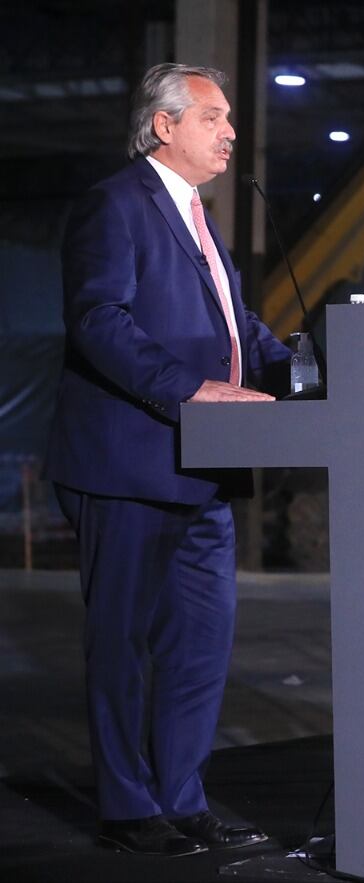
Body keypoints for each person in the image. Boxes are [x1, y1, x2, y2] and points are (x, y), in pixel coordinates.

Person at [45, 64, 290, 856]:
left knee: (199, 644)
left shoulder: (199, 217)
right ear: (164, 126)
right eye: (214, 118)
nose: (229, 132)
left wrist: (317, 368)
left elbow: (237, 328)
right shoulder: (114, 204)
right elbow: (99, 320)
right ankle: (126, 806)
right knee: (121, 644)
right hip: (126, 462)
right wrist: (195, 391)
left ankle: (182, 797)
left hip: (205, 472)